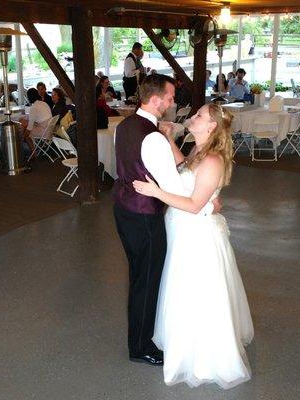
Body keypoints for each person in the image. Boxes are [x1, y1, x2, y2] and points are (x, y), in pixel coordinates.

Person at [132, 102, 253, 389]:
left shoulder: (213, 160)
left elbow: (195, 204)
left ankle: (202, 353)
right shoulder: (199, 151)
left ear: (211, 126)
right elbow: (183, 168)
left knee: (195, 290)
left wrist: (155, 192)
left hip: (196, 235)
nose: (193, 117)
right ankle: (182, 339)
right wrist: (170, 140)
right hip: (182, 230)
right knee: (181, 287)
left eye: (199, 115)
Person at [113, 74, 214, 368]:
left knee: (138, 274)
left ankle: (140, 337)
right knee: (146, 279)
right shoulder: (153, 137)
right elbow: (173, 187)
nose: (172, 102)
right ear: (156, 100)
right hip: (145, 214)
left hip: (123, 208)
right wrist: (205, 197)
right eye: (170, 98)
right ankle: (141, 347)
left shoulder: (126, 125)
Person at [20, 88, 52, 153]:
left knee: (26, 133)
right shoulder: (44, 103)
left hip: (44, 132)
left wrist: (23, 136)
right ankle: (35, 149)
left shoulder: (34, 107)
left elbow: (29, 128)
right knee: (24, 123)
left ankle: (33, 152)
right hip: (50, 130)